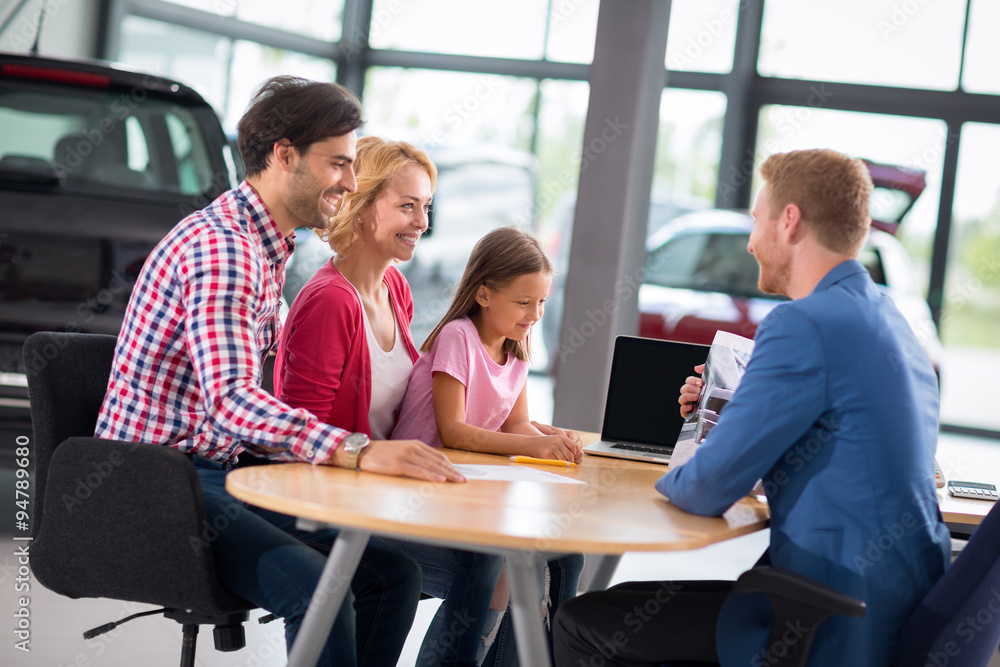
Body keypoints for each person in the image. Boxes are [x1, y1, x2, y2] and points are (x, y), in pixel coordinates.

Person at [94, 76, 464, 667]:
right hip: (157, 482)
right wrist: (358, 451)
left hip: (217, 469)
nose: (351, 181)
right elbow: (231, 401)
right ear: (285, 155)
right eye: (338, 163)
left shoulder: (267, 249)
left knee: (392, 575)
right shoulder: (225, 250)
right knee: (320, 587)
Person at [552, 149, 951, 666]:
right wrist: (737, 414)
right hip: (888, 607)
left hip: (826, 618)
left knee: (581, 623)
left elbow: (704, 491)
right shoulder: (889, 320)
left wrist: (697, 458)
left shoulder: (803, 324)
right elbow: (842, 445)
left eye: (757, 220)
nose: (750, 241)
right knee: (619, 605)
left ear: (790, 222)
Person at [274, 134, 504, 667]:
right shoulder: (331, 301)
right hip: (337, 501)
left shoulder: (394, 288)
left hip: (384, 492)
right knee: (492, 562)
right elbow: (299, 436)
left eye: (426, 207)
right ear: (360, 207)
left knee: (535, 556)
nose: (422, 221)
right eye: (407, 206)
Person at [391, 226, 587, 665]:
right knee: (501, 565)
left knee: (565, 556)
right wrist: (533, 447)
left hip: (461, 495)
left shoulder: (515, 351)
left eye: (541, 302)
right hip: (415, 492)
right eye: (523, 302)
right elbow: (454, 431)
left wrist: (553, 440)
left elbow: (517, 423)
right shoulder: (458, 337)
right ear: (483, 294)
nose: (535, 314)